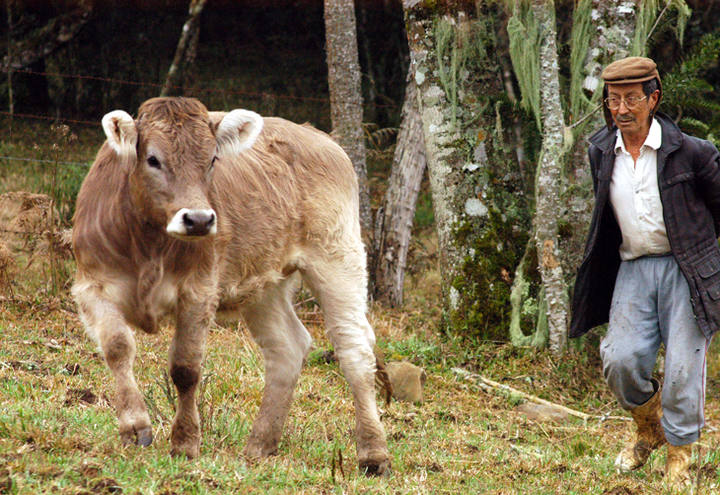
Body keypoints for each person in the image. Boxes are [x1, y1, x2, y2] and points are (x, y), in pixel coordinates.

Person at [570, 56, 720, 489]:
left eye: (631, 99)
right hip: (633, 267)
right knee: (620, 360)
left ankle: (680, 456)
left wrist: (704, 257)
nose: (621, 109)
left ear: (653, 99)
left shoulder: (691, 151)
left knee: (681, 369)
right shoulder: (601, 151)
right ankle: (649, 426)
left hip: (686, 269)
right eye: (613, 99)